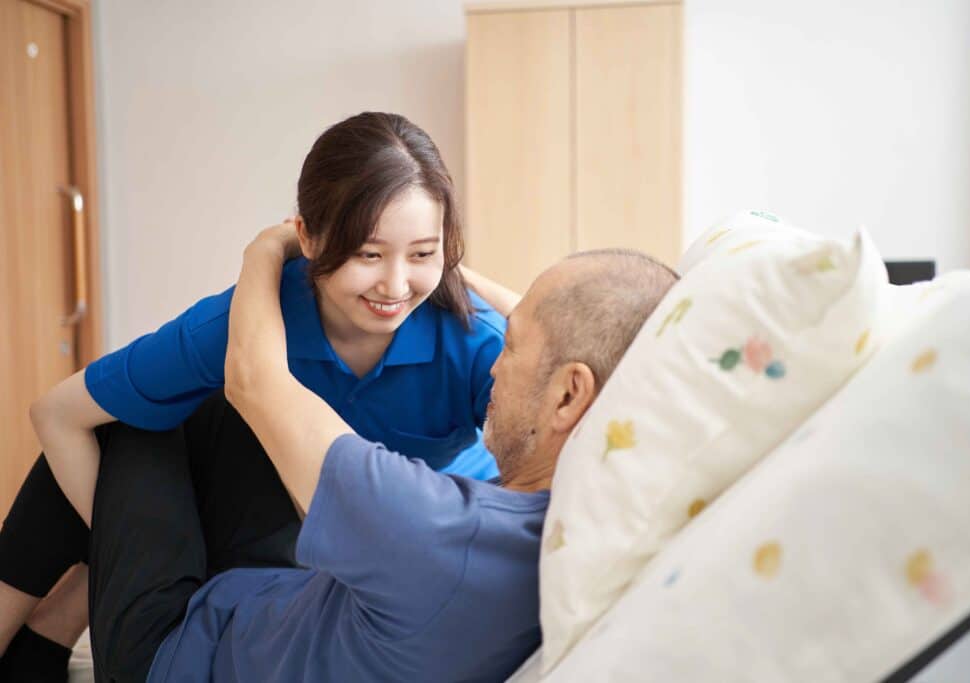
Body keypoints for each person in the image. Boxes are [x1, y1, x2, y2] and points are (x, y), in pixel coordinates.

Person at [0, 112, 517, 677]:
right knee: (133, 417)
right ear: (309, 238)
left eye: (423, 254)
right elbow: (57, 414)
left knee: (148, 423)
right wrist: (123, 551)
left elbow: (570, 369)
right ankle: (39, 632)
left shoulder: (474, 343)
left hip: (367, 568)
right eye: (369, 254)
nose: (395, 287)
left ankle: (41, 635)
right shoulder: (249, 320)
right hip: (277, 541)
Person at [76, 224, 678, 681]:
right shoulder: (596, 517)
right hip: (279, 603)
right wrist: (433, 270)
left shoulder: (435, 531)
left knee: (142, 414)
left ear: (569, 394)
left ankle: (41, 641)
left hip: (178, 650)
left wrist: (266, 249)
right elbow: (605, 336)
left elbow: (252, 380)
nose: (493, 362)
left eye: (513, 345)